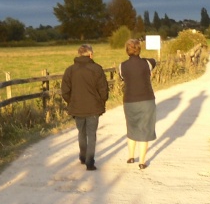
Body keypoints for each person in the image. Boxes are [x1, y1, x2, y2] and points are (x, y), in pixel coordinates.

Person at [61, 44, 109, 170]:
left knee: (81, 132)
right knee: (91, 134)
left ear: (79, 54)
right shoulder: (97, 69)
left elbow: (65, 91)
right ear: (90, 54)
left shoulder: (70, 70)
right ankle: (90, 161)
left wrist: (71, 102)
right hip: (93, 107)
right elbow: (103, 89)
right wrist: (101, 101)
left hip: (77, 107)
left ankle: (83, 156)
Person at [118, 38, 158, 169]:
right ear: (139, 49)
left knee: (131, 127)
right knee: (144, 129)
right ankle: (142, 162)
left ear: (127, 50)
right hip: (146, 100)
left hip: (129, 100)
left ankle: (130, 157)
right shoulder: (147, 63)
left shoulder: (122, 66)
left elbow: (122, 77)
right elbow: (154, 61)